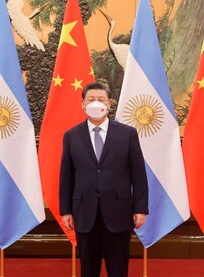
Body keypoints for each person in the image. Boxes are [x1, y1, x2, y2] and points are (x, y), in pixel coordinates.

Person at [59, 81, 148, 277]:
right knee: (88, 270)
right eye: (91, 99)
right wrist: (65, 210)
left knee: (118, 269)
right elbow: (66, 176)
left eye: (101, 99)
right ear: (82, 104)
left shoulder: (127, 134)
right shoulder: (71, 136)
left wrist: (140, 208)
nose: (96, 103)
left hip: (119, 212)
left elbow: (138, 174)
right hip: (84, 213)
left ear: (109, 104)